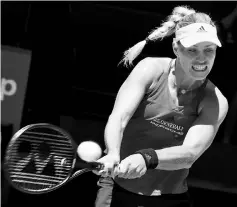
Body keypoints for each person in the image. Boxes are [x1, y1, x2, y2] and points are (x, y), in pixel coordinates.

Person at [93, 5, 229, 207]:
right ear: (176, 48)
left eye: (209, 50)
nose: (202, 59)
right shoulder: (150, 69)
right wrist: (112, 153)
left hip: (169, 199)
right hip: (115, 189)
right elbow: (119, 118)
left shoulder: (215, 100)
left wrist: (146, 158)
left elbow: (190, 154)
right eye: (192, 50)